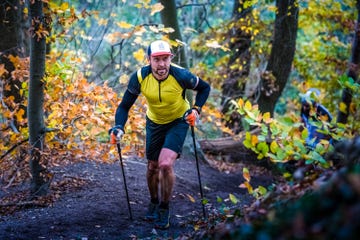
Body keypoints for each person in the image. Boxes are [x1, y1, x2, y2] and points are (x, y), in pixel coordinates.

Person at [109, 40, 210, 229]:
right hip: (154, 122)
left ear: (171, 58)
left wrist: (196, 109)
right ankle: (154, 201)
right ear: (149, 60)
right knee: (152, 167)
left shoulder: (181, 75)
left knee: (165, 164)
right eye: (157, 60)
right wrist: (119, 127)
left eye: (166, 59)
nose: (162, 64)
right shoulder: (140, 77)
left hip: (179, 121)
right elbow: (124, 106)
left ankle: (164, 207)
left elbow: (205, 88)